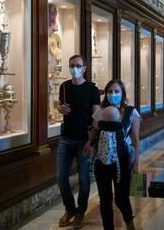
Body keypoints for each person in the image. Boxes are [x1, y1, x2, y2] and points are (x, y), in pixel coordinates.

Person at [84, 79, 141, 230]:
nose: (113, 94)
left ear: (122, 94)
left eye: (116, 91)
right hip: (102, 161)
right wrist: (89, 143)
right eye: (109, 91)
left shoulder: (131, 112)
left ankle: (129, 222)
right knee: (105, 199)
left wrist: (135, 163)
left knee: (121, 198)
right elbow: (94, 136)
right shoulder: (100, 112)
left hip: (122, 161)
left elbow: (135, 140)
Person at [56, 55, 100, 228]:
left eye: (78, 66)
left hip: (84, 140)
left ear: (84, 69)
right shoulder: (64, 86)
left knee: (83, 179)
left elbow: (96, 116)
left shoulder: (91, 89)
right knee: (61, 177)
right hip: (66, 138)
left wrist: (92, 139)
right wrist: (60, 109)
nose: (74, 68)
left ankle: (80, 212)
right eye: (72, 65)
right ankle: (70, 209)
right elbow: (60, 106)